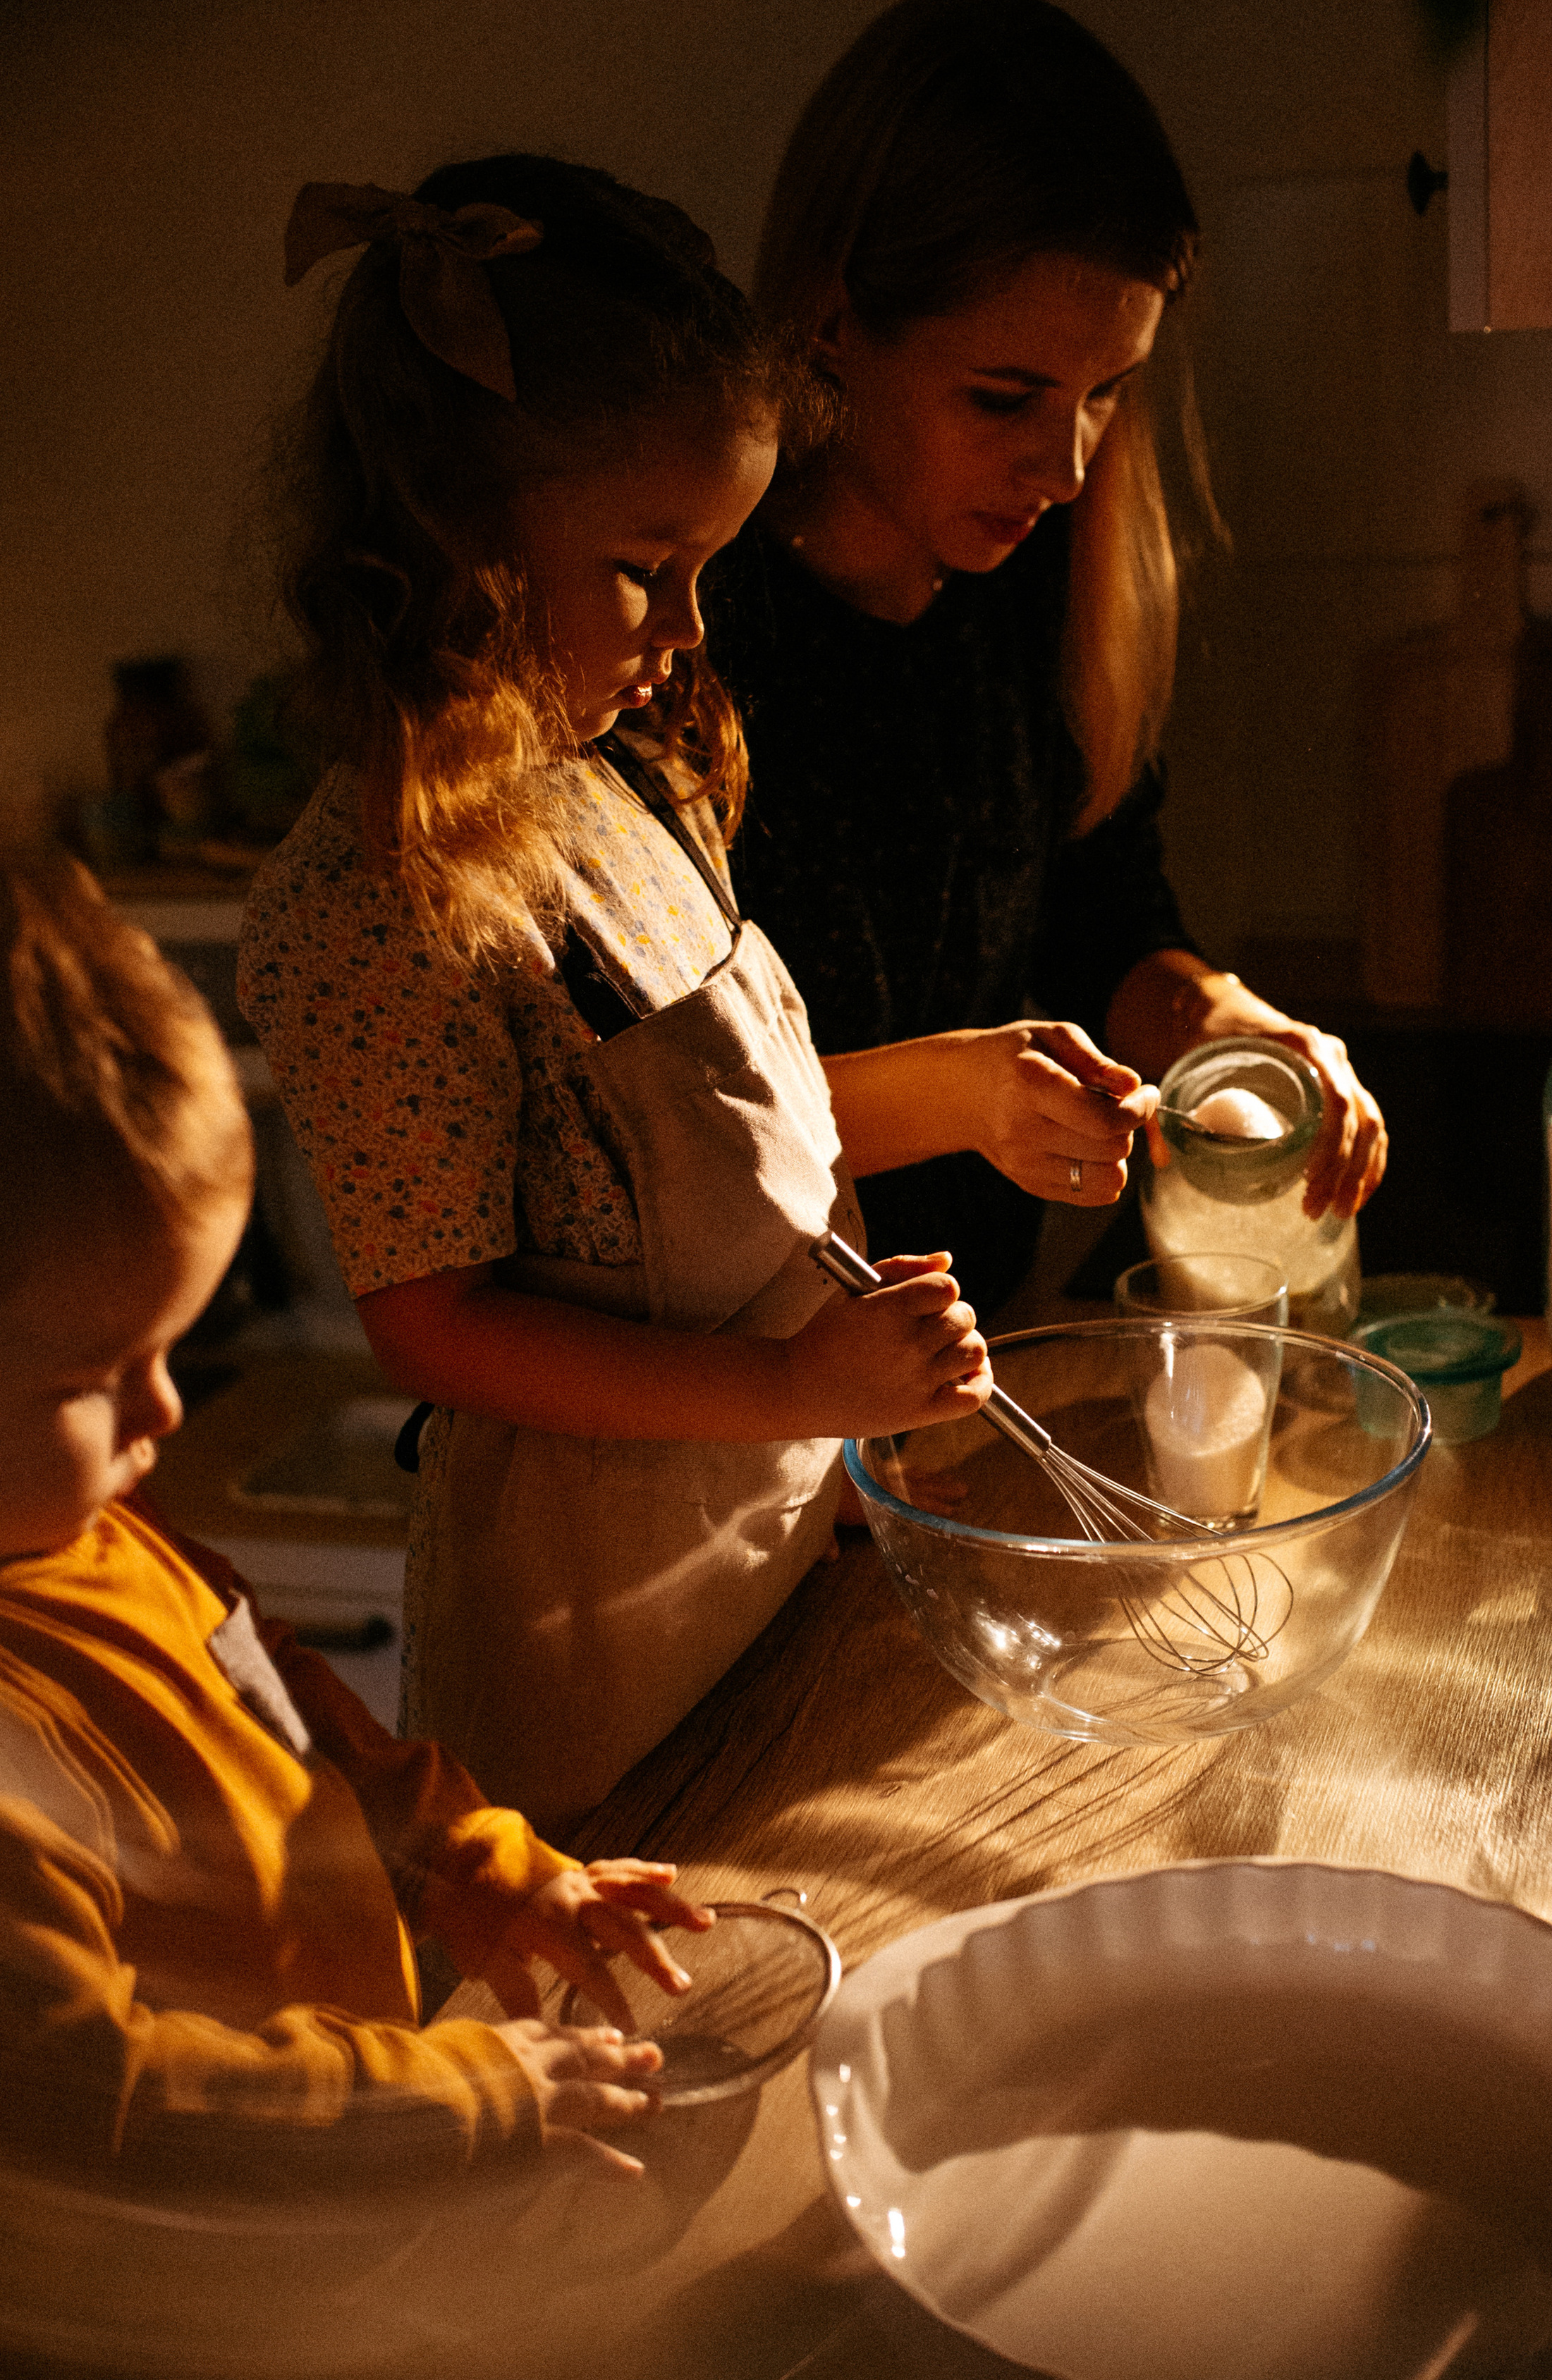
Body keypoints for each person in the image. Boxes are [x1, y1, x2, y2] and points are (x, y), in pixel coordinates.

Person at [240, 157, 1156, 1836]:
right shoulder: (379, 897)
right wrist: (795, 1394)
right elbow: (433, 1323)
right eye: (640, 567)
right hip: (594, 1647)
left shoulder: (625, 774)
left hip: (767, 1552)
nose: (684, 626)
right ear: (453, 542)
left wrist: (962, 1089)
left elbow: (712, 1142)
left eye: (704, 566)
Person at [0, 851, 712, 2190]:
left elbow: (291, 1724)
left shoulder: (90, 1528)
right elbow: (109, 2104)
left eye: (168, 1347)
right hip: (219, 2278)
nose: (166, 1410)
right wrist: (453, 2100)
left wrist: (472, 1866)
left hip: (363, 2156)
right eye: (92, 1378)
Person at [710, 0, 1388, 1319]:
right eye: (1004, 399)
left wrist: (1219, 1022)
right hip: (739, 1368)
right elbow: (665, 1120)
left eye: (1107, 395)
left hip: (977, 1333)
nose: (1068, 469)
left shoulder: (1031, 585)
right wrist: (961, 1097)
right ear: (833, 323)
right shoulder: (686, 626)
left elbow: (1102, 916)